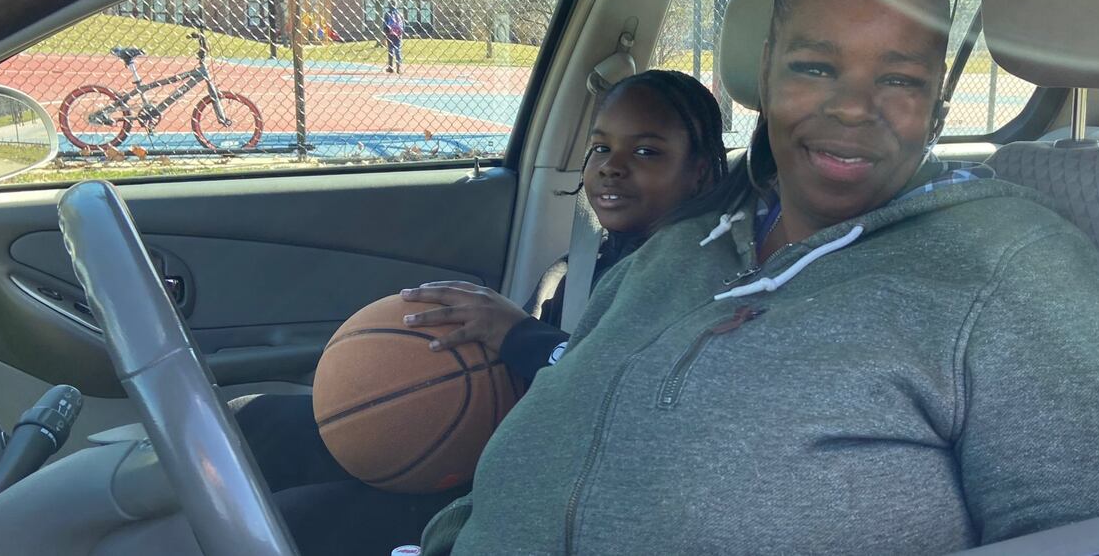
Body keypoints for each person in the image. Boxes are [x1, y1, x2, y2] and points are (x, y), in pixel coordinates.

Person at [423, 0, 1099, 555]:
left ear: (937, 101)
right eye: (816, 68)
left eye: (898, 79)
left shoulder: (1012, 274)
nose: (854, 107)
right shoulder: (676, 251)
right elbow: (547, 439)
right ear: (765, 73)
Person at [230, 70, 729, 556]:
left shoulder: (703, 284)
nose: (611, 166)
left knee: (294, 521)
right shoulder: (587, 263)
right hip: (501, 438)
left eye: (646, 152)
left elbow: (627, 396)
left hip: (549, 491)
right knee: (252, 423)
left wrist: (519, 337)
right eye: (600, 148)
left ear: (701, 171)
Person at [383, 5, 405, 74]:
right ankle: (398, 68)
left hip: (390, 34)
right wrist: (401, 33)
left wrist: (385, 35)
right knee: (398, 50)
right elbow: (403, 25)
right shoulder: (400, 14)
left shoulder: (387, 14)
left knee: (390, 51)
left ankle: (390, 67)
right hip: (398, 35)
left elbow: (385, 25)